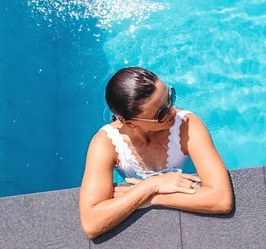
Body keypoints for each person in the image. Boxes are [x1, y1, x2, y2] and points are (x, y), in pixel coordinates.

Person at [79, 67, 233, 239]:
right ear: (131, 124)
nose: (173, 111)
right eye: (162, 113)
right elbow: (91, 223)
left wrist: (151, 197)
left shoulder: (186, 126)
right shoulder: (106, 143)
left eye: (170, 97)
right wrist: (152, 185)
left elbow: (221, 198)